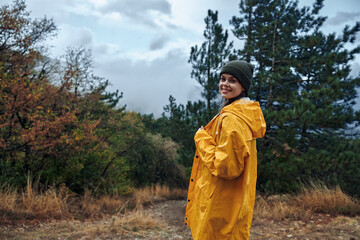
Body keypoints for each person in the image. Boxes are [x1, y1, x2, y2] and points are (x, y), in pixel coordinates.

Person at [184, 60, 266, 239]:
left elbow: (226, 166)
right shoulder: (245, 114)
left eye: (232, 80)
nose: (225, 84)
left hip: (219, 205)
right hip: (232, 202)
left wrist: (201, 138)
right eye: (223, 79)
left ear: (243, 86)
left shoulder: (233, 119)